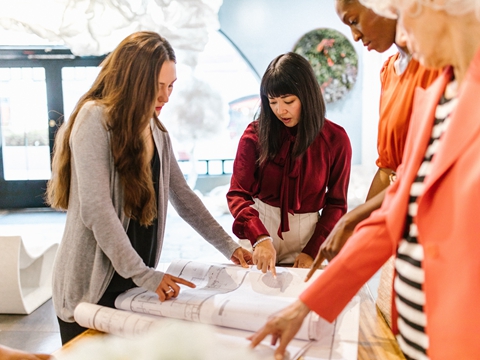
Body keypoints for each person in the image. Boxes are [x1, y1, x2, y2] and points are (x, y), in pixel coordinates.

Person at [250, 0, 480, 359]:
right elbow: (395, 210)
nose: (400, 39)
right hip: (417, 333)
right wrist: (303, 307)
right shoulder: (433, 94)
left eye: (400, 17)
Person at [46, 31, 252, 345]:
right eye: (157, 87)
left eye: (171, 87)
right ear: (133, 80)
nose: (166, 97)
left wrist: (231, 246)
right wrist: (144, 274)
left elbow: (183, 197)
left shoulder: (156, 130)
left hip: (131, 287)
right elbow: (96, 209)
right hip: (89, 288)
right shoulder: (95, 119)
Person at [318, 0, 441, 262]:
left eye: (354, 21)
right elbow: (388, 170)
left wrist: (353, 219)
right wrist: (357, 227)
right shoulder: (389, 72)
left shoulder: (436, 64)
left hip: (433, 217)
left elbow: (427, 170)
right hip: (396, 218)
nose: (355, 35)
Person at [227, 52, 352, 275]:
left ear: (307, 95)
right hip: (259, 230)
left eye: (288, 101)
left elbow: (337, 204)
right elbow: (238, 194)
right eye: (272, 102)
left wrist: (312, 251)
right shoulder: (254, 134)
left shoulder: (336, 139)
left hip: (308, 236)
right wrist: (259, 236)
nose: (280, 110)